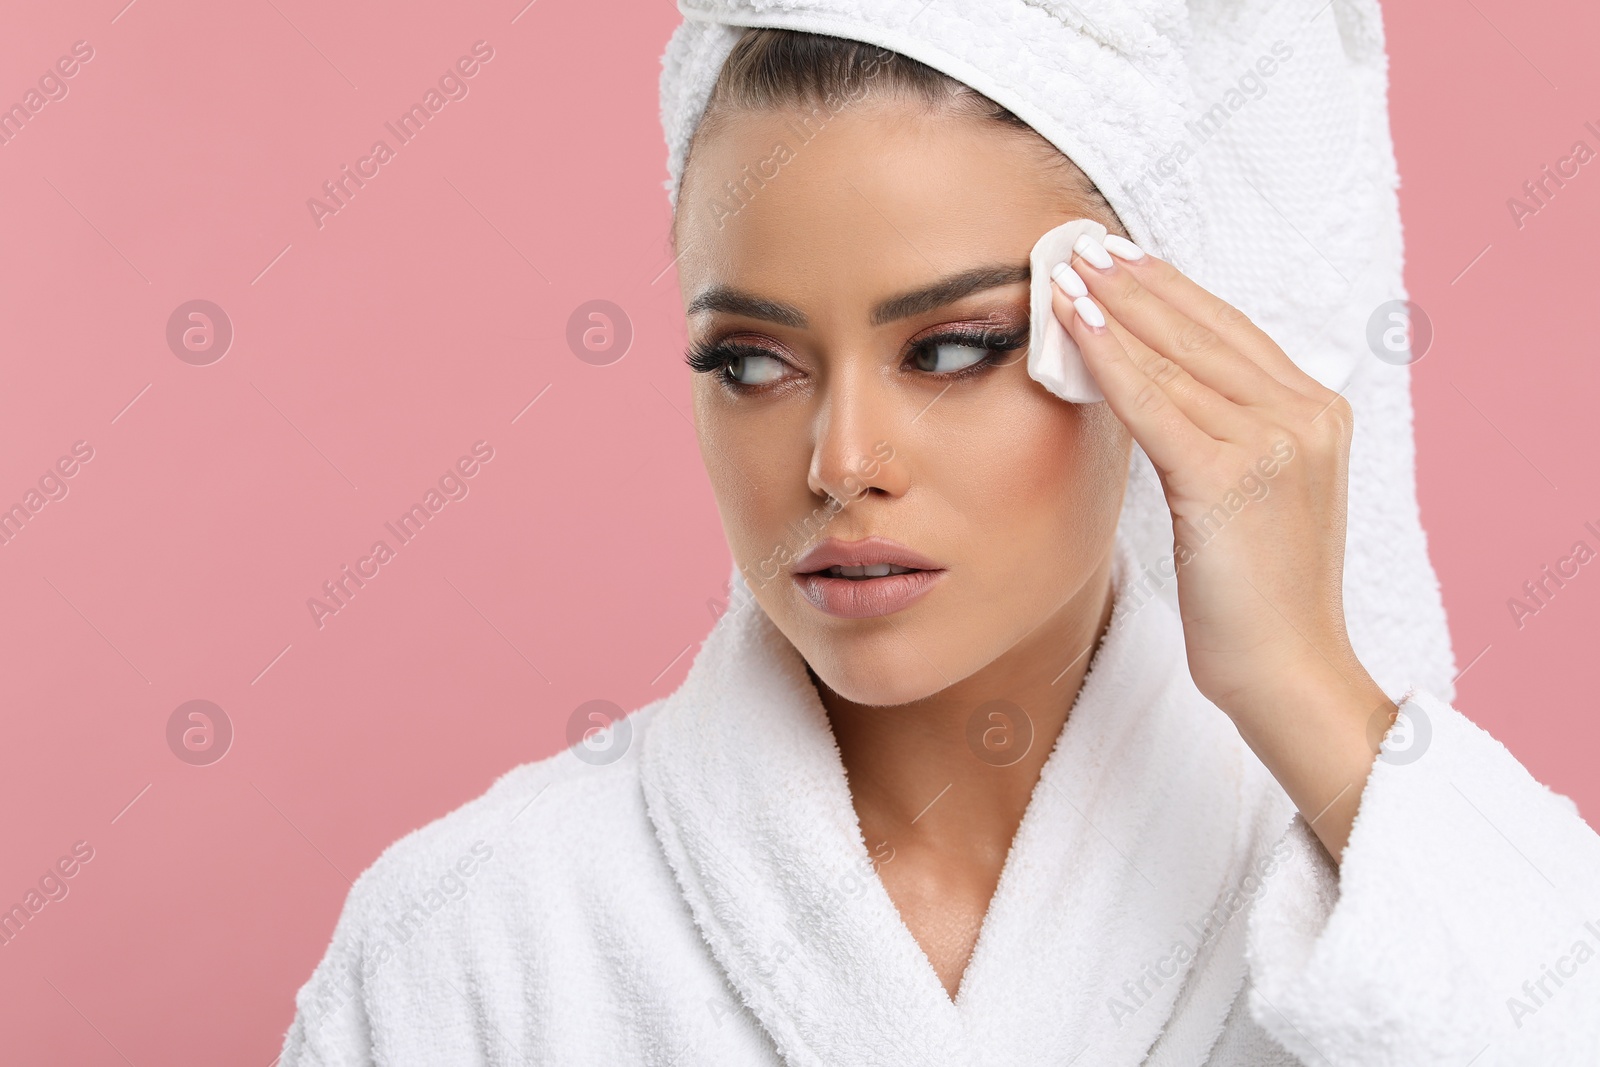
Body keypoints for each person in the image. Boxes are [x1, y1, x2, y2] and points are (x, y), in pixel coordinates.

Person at [277, 23, 1600, 1067]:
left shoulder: (1361, 903)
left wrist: (1309, 686)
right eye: (749, 361)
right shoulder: (479, 937)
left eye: (956, 348)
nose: (840, 460)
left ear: (1136, 354)